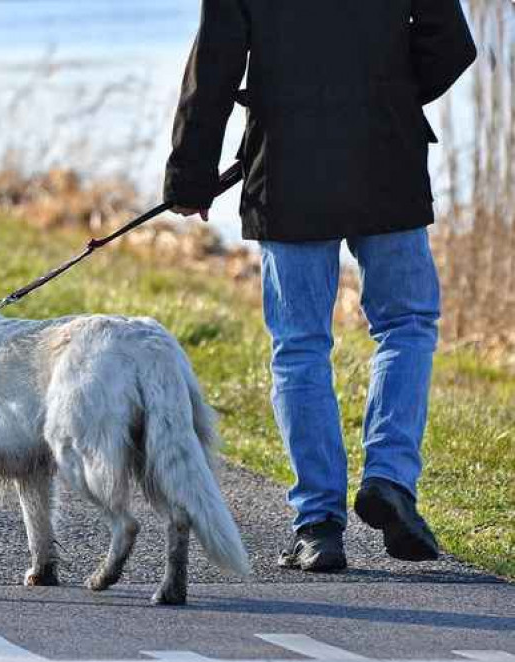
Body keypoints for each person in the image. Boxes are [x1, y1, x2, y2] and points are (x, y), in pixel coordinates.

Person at [164, 0, 476, 572]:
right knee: (406, 325)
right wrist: (388, 96)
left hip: (287, 170)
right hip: (388, 158)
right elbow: (452, 46)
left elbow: (213, 67)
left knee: (300, 344)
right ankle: (390, 479)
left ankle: (318, 525)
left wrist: (190, 175)